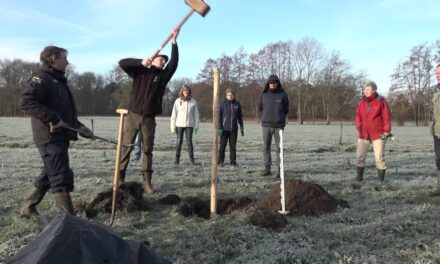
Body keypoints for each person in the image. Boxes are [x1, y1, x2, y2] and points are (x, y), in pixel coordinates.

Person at [18, 45, 93, 217]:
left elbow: (62, 112)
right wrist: (52, 118)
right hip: (48, 136)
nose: (67, 62)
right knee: (60, 175)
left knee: (49, 173)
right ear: (52, 59)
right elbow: (26, 102)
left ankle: (27, 207)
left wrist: (79, 127)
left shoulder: (58, 81)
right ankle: (67, 218)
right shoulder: (41, 79)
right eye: (64, 58)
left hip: (60, 136)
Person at [118, 28, 179, 194]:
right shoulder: (140, 72)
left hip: (149, 118)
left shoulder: (162, 77)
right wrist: (141, 62)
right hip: (133, 115)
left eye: (164, 61)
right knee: (126, 146)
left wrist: (174, 42)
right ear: (153, 59)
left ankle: (147, 182)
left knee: (147, 149)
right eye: (161, 59)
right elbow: (122, 63)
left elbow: (174, 64)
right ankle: (120, 179)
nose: (164, 62)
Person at [355, 81, 391, 182]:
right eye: (364, 89)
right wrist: (359, 126)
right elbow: (358, 116)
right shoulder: (361, 102)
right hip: (363, 134)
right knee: (359, 157)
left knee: (379, 157)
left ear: (374, 90)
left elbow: (387, 117)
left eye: (368, 89)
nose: (365, 91)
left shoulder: (381, 101)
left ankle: (380, 181)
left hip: (379, 134)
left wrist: (387, 131)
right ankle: (359, 178)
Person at [259, 74, 289, 177]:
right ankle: (267, 169)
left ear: (277, 84)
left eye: (274, 83)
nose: (272, 84)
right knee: (266, 147)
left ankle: (280, 170)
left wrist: (280, 119)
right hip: (266, 126)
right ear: (268, 84)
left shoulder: (283, 94)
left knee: (279, 148)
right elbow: (260, 108)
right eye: (270, 83)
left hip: (279, 126)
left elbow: (286, 109)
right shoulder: (264, 94)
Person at [170, 84, 200, 165]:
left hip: (189, 125)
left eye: (187, 91)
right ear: (182, 92)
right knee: (179, 142)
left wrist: (196, 126)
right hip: (179, 125)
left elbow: (196, 115)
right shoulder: (177, 101)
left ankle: (192, 159)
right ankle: (177, 160)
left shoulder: (193, 101)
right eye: (184, 91)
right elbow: (174, 114)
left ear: (189, 91)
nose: (185, 92)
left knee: (189, 142)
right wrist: (173, 126)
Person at [217, 88, 244, 166]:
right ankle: (220, 161)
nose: (230, 97)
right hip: (224, 129)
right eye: (229, 95)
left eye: (231, 95)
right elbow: (219, 117)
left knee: (233, 147)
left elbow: (240, 117)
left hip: (234, 129)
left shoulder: (237, 104)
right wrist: (220, 127)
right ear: (226, 95)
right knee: (222, 146)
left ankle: (233, 161)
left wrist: (241, 127)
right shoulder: (222, 104)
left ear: (234, 96)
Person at [430, 65, 440, 195]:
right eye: (436, 73)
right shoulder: (436, 90)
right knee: (439, 160)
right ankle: (439, 189)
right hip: (438, 131)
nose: (438, 75)